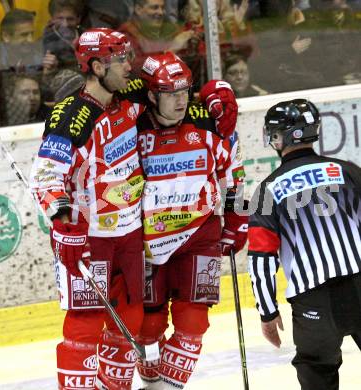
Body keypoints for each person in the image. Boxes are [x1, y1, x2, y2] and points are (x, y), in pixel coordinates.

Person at [29, 28, 148, 390]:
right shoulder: (72, 116)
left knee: (130, 317)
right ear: (97, 66)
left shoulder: (131, 95)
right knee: (84, 324)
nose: (129, 66)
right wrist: (64, 227)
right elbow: (46, 177)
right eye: (120, 60)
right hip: (89, 237)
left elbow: (171, 91)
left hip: (128, 233)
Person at [135, 52, 248, 389]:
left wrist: (237, 221)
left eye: (185, 92)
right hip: (146, 244)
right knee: (148, 327)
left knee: (194, 321)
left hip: (199, 234)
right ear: (152, 95)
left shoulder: (209, 122)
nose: (180, 101)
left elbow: (234, 177)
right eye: (171, 94)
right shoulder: (132, 127)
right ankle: (151, 379)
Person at [247, 99, 361, 390]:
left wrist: (268, 312)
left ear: (276, 137)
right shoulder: (348, 171)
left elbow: (261, 258)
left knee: (317, 371)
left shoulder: (268, 191)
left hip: (312, 300)